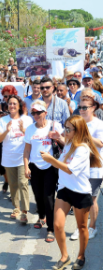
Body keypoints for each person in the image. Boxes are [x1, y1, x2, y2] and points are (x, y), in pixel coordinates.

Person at [41, 115, 101, 270]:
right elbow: (64, 156)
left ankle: (81, 256)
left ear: (77, 130)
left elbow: (68, 169)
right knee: (57, 225)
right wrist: (58, 137)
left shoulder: (83, 149)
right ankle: (64, 257)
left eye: (68, 129)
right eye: (64, 127)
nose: (65, 131)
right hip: (64, 189)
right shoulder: (68, 143)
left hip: (80, 192)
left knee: (82, 227)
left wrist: (50, 159)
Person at [24, 100, 64, 242]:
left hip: (50, 166)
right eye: (33, 113)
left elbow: (66, 145)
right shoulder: (30, 129)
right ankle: (41, 217)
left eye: (38, 112)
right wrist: (26, 166)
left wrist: (57, 137)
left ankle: (51, 229)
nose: (36, 115)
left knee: (48, 197)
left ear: (45, 113)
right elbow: (27, 149)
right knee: (38, 195)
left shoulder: (55, 126)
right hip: (35, 166)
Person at [70, 92, 103, 241]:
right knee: (79, 198)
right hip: (79, 166)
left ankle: (92, 227)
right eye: (80, 107)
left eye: (85, 107)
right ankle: (80, 227)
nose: (82, 110)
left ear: (94, 107)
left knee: (91, 199)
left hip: (95, 167)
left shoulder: (99, 124)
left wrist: (85, 133)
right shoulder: (76, 121)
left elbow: (101, 143)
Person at [0, 95, 33, 223]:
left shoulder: (27, 120)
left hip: (23, 158)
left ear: (19, 106)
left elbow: (32, 139)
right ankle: (16, 207)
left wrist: (23, 130)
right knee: (13, 184)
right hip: (8, 158)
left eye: (14, 103)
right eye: (10, 104)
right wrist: (6, 131)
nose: (12, 106)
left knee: (23, 183)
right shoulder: (3, 120)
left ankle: (24, 211)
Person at [0, 85, 19, 193]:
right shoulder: (0, 106)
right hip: (3, 137)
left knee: (17, 164)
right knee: (3, 164)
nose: (7, 98)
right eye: (5, 96)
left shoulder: (19, 106)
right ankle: (7, 181)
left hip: (16, 139)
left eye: (10, 96)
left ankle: (14, 188)